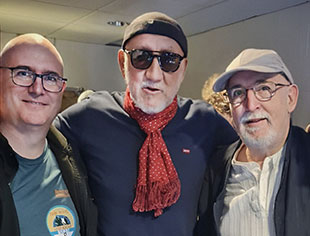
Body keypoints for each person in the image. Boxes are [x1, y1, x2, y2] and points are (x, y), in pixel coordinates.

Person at [55, 12, 236, 236]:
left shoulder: (206, 122)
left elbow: (254, 164)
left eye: (169, 60)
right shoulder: (86, 118)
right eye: (141, 57)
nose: (154, 73)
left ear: (183, 68)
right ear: (123, 63)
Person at [195, 48, 310, 236]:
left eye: (264, 89)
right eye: (237, 93)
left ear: (290, 98)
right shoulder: (214, 169)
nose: (250, 104)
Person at [0, 33, 97, 236]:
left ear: (61, 89)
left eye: (50, 78)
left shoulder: (72, 160)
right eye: (23, 73)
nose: (37, 89)